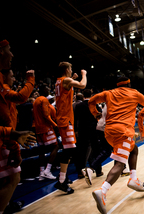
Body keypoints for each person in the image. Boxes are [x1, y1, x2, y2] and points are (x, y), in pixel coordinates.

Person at [88, 76, 144, 214]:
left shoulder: (109, 93)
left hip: (109, 132)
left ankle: (133, 178)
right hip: (123, 131)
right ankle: (102, 190)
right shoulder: (134, 93)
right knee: (119, 164)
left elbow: (91, 101)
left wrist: (96, 114)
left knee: (133, 149)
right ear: (129, 84)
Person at [0, 38, 36, 214]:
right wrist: (14, 143)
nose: (12, 54)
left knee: (5, 180)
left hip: (3, 138)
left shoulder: (0, 81)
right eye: (9, 50)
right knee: (12, 177)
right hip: (0, 139)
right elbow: (4, 115)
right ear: (0, 50)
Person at [53, 61, 87, 194]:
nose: (71, 69)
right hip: (65, 119)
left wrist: (72, 79)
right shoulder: (66, 80)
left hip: (63, 118)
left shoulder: (59, 81)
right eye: (70, 68)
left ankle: (63, 178)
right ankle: (61, 180)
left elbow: (64, 92)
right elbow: (83, 85)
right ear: (67, 69)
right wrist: (84, 74)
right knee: (69, 149)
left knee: (68, 149)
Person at [33, 84, 59, 181]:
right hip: (45, 128)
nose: (49, 91)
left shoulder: (36, 100)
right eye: (47, 89)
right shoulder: (44, 100)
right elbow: (46, 116)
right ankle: (47, 170)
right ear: (44, 91)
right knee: (55, 146)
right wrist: (55, 125)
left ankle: (41, 172)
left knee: (42, 150)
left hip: (37, 128)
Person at [74, 89, 98, 185]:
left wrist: (75, 130)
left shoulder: (78, 105)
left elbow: (75, 118)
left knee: (81, 150)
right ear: (91, 94)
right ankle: (96, 169)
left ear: (83, 95)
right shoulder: (94, 104)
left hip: (82, 130)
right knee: (94, 149)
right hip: (93, 129)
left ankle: (80, 171)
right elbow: (98, 116)